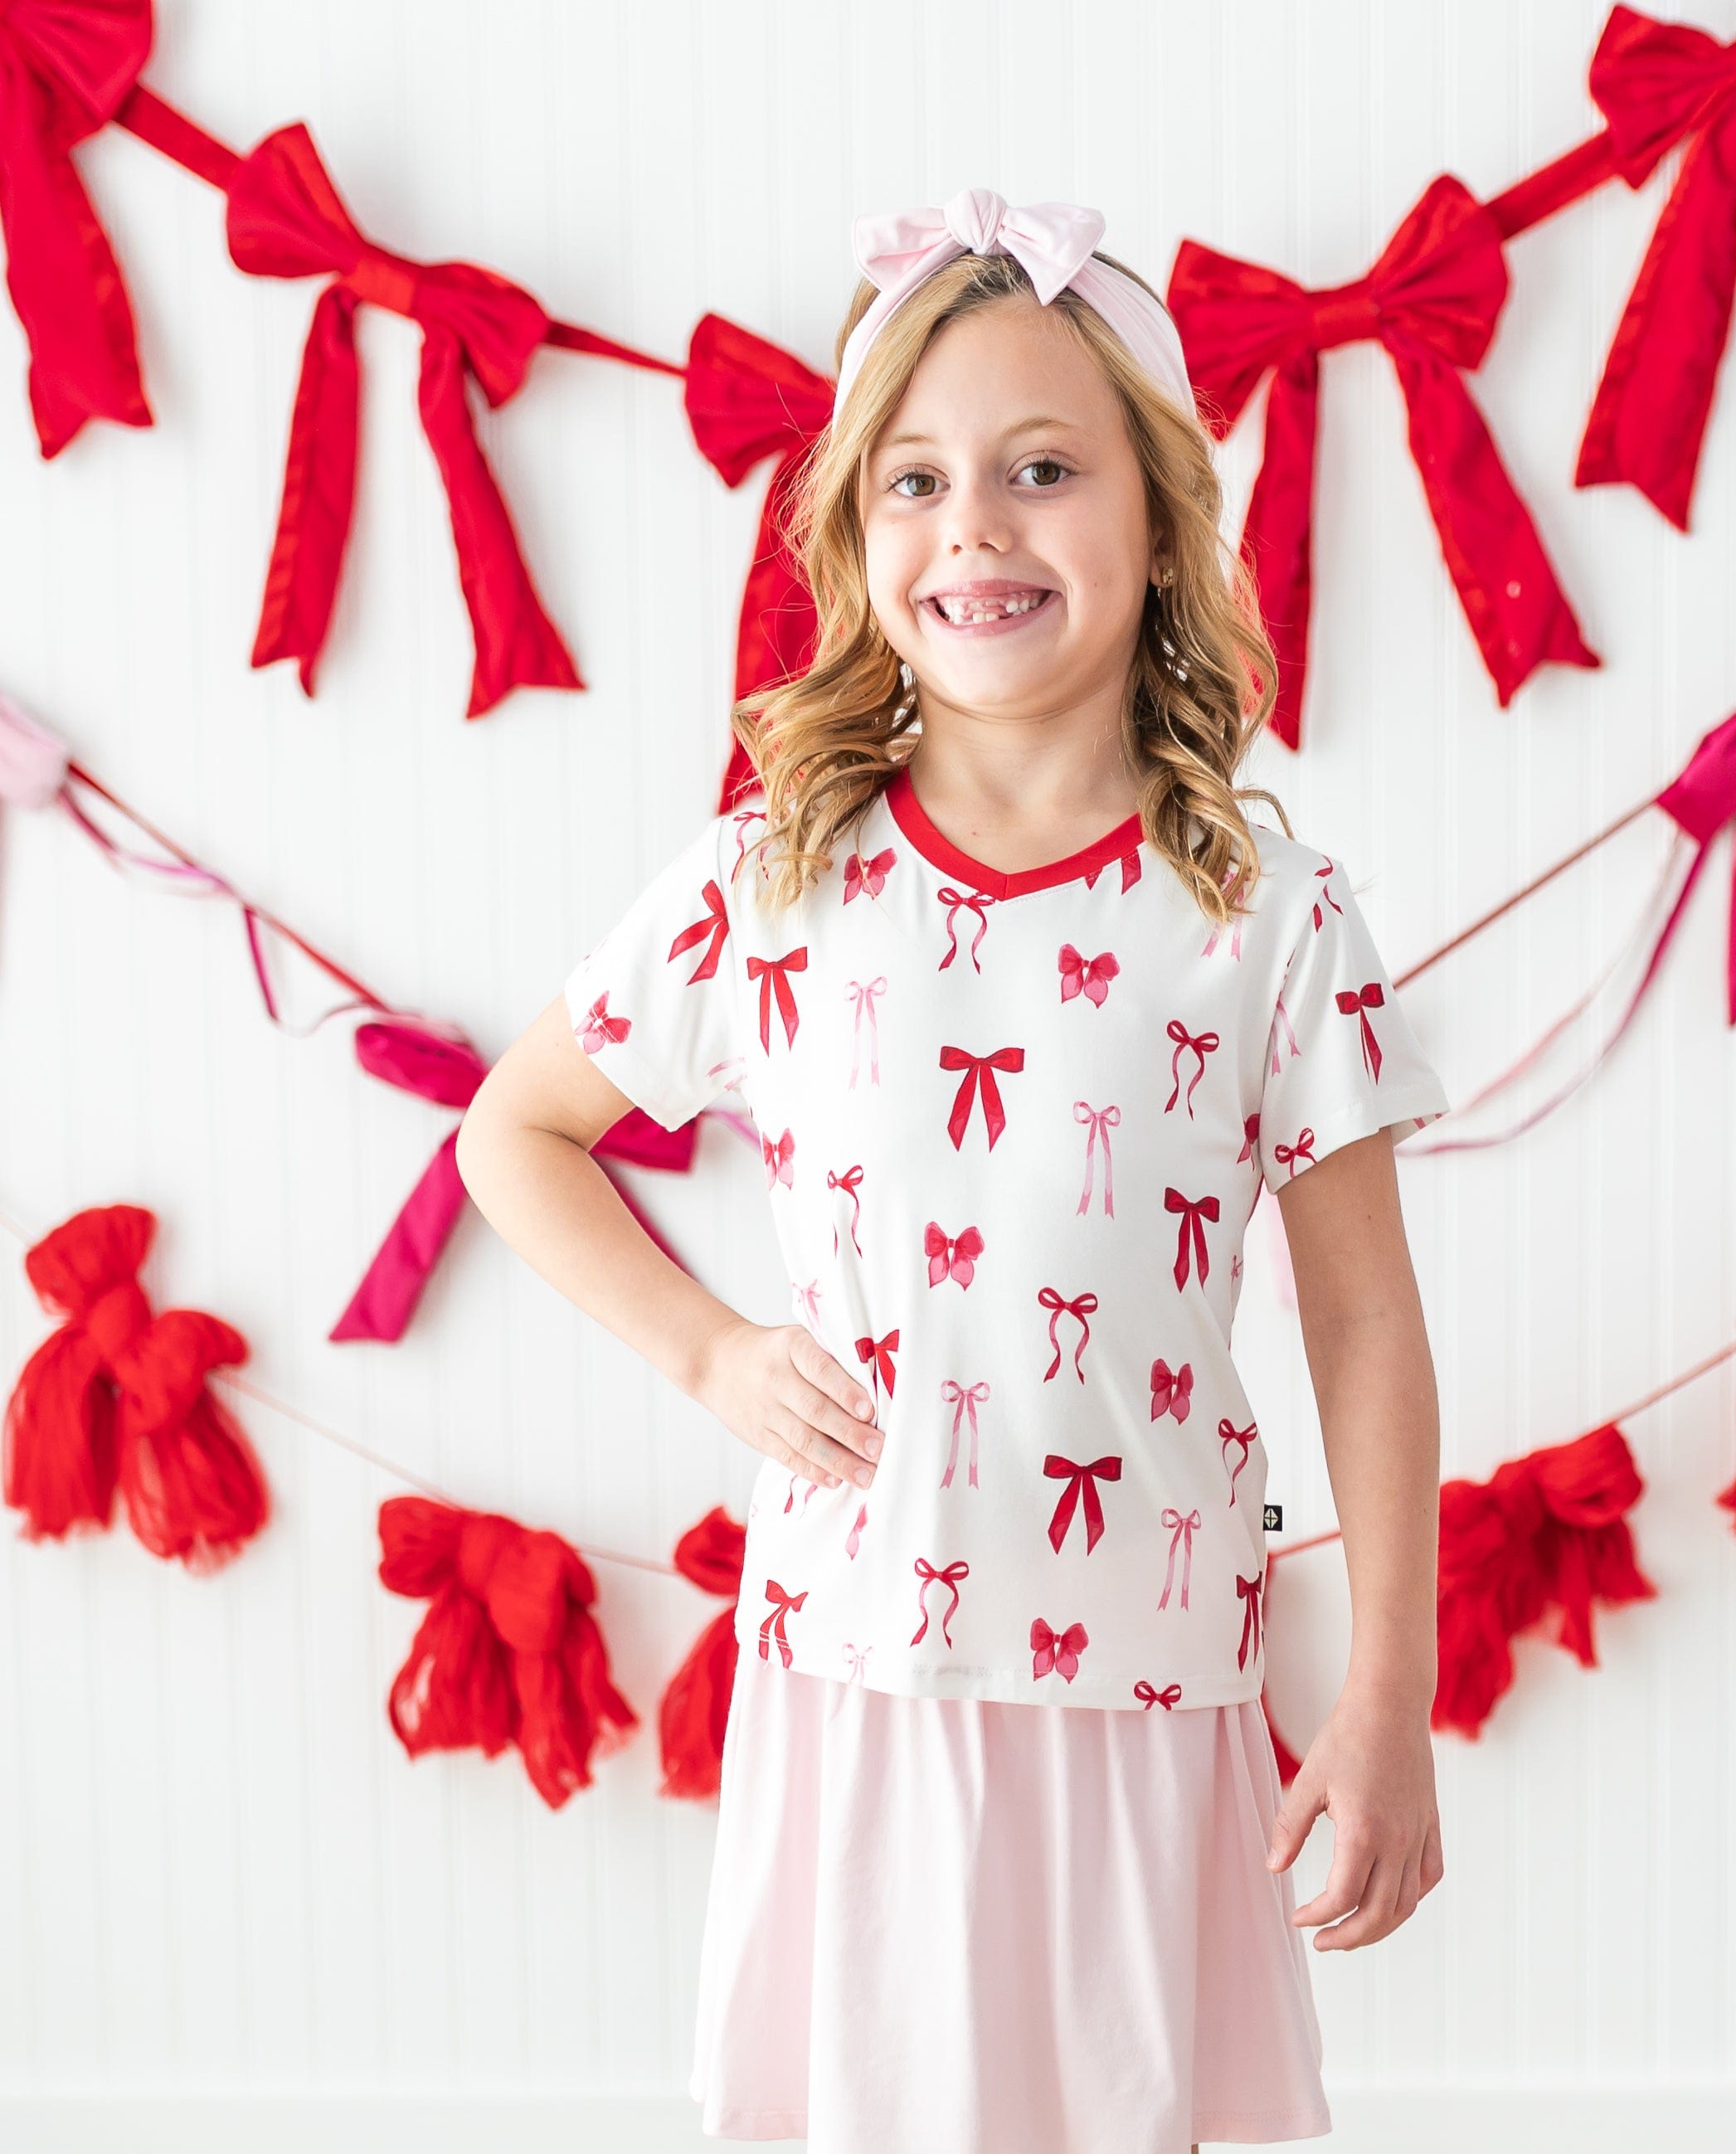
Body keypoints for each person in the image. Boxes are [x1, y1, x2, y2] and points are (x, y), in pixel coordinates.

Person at [457, 187, 1449, 2154]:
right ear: (850, 533)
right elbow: (518, 1133)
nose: (974, 524)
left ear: (1157, 525)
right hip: (866, 1687)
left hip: (1156, 1696)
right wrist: (712, 1353)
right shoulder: (772, 886)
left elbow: (1362, 1319)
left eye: (1041, 468)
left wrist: (1390, 1702)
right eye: (913, 478)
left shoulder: (1265, 914)